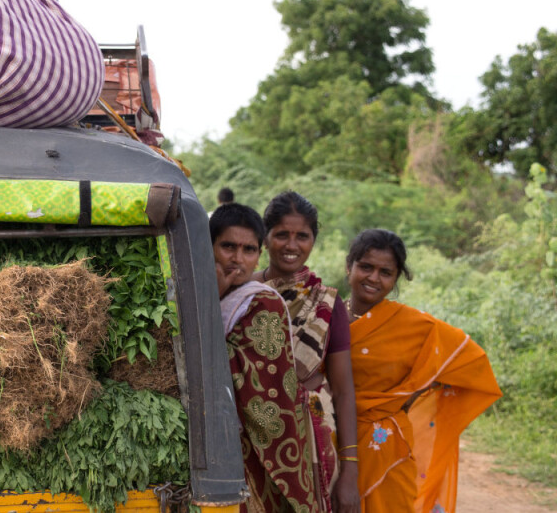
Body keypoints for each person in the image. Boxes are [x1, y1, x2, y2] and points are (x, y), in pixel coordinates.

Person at [344, 229, 501, 512]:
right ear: (349, 266)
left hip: (386, 446)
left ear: (396, 278)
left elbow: (471, 359)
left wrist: (410, 395)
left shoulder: (413, 325)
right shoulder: (323, 315)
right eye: (366, 267)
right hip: (332, 444)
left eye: (385, 272)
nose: (374, 278)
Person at [252, 191, 360, 513]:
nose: (292, 245)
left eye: (302, 236)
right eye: (281, 234)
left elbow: (343, 390)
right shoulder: (243, 292)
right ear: (265, 237)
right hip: (249, 435)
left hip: (310, 439)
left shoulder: (325, 303)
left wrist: (350, 471)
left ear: (313, 240)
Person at [211, 203, 319, 512]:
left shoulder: (261, 302)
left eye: (248, 250)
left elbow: (259, 387)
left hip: (249, 449)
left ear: (259, 254)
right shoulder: (199, 293)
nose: (237, 258)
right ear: (210, 247)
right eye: (228, 247)